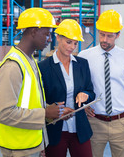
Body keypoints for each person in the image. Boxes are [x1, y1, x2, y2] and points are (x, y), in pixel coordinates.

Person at [0, 8, 69, 157]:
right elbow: (4, 113)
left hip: (31, 143)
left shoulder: (29, 60)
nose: (49, 39)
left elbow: (29, 102)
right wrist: (45, 113)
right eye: (47, 34)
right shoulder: (12, 67)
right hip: (18, 147)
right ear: (34, 31)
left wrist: (51, 111)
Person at [78, 9, 124, 157]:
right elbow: (79, 88)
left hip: (121, 122)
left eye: (109, 36)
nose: (104, 40)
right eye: (102, 34)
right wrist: (83, 106)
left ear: (118, 34)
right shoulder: (84, 57)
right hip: (94, 121)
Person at [39, 19, 96, 157]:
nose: (72, 47)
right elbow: (39, 101)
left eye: (75, 43)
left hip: (80, 129)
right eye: (68, 42)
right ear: (58, 37)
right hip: (55, 130)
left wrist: (85, 95)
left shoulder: (82, 64)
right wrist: (56, 110)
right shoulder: (43, 67)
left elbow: (91, 92)